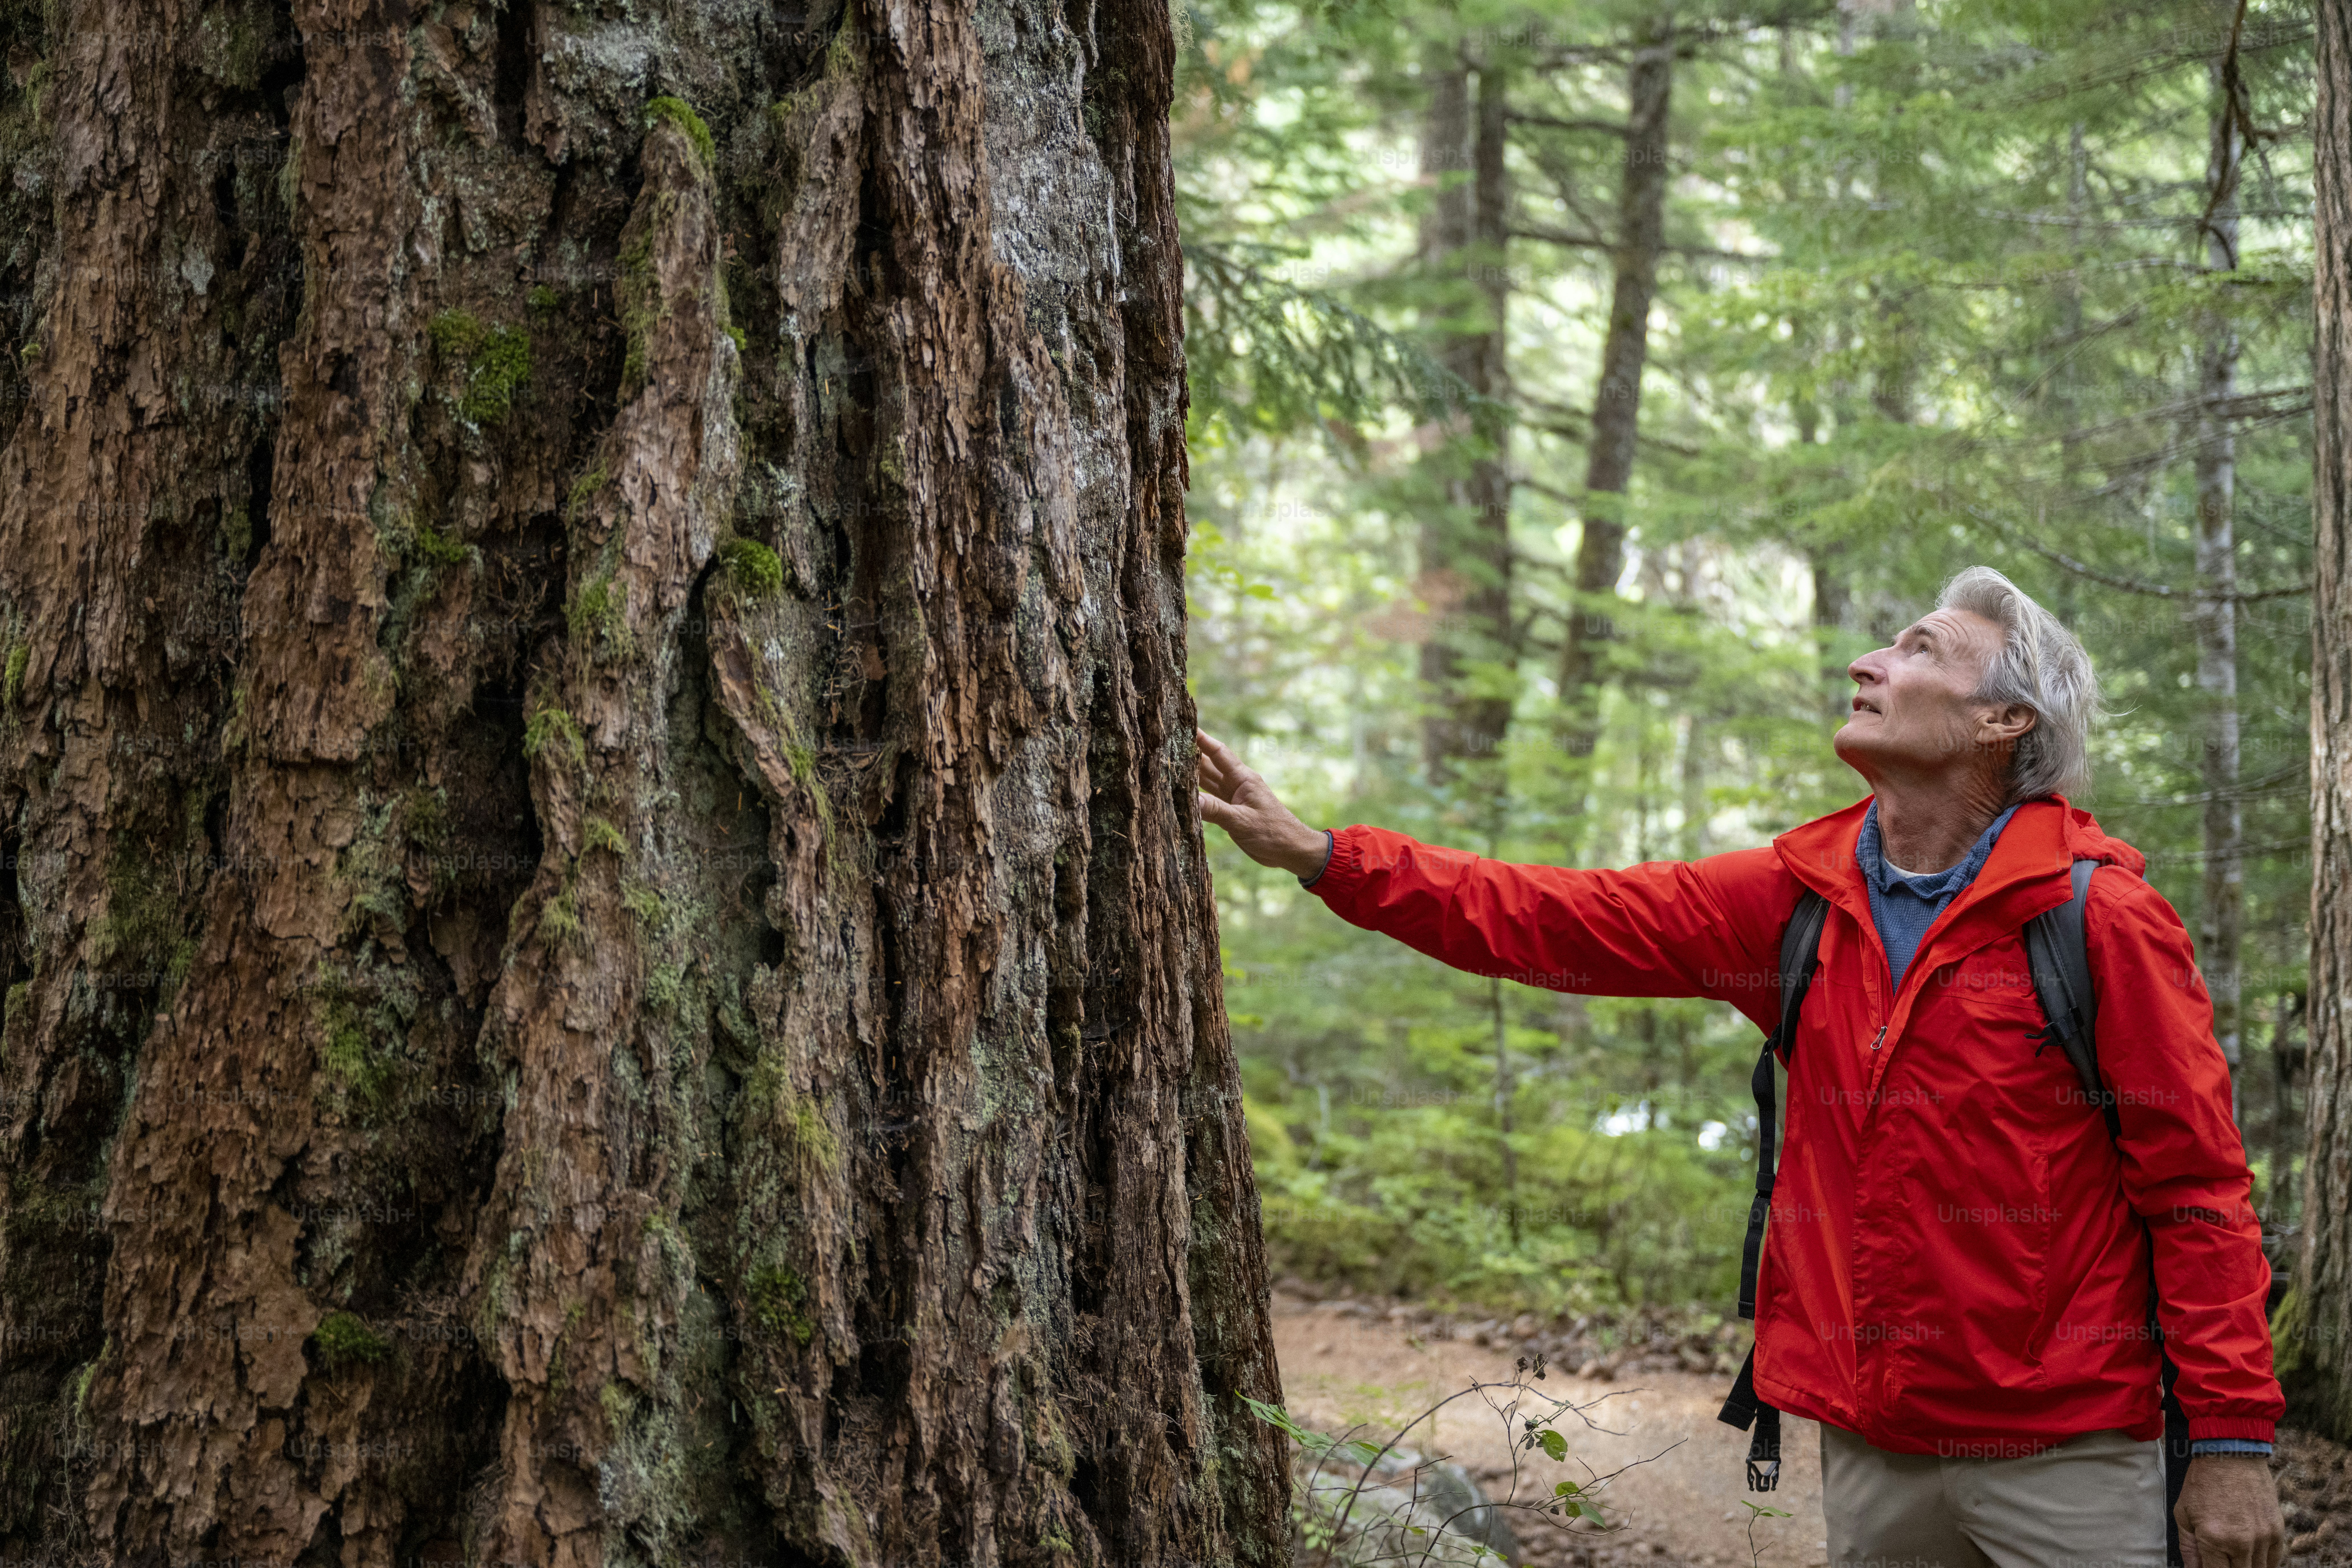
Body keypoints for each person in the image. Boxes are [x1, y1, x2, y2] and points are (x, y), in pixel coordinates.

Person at [1197, 566, 2285, 1568]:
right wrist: (1327, 857)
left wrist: (2233, 1445)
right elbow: (1557, 918)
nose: (1869, 662)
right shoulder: (1794, 901)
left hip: (2072, 1455)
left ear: (2003, 720)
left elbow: (2196, 1194)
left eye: (1918, 650)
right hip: (1873, 1447)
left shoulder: (2100, 921)